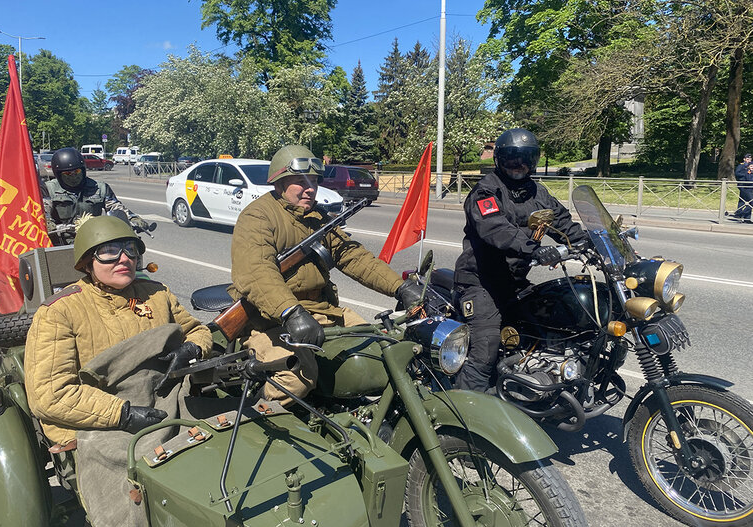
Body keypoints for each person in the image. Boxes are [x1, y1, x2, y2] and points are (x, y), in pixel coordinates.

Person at [228, 145, 423, 405]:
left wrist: (400, 288)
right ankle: (259, 419)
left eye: (314, 181)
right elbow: (256, 272)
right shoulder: (258, 217)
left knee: (380, 351)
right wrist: (290, 312)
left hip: (322, 309)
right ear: (279, 183)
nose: (310, 188)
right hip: (269, 319)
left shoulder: (318, 218)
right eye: (300, 182)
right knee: (297, 378)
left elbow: (353, 257)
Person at [24, 215, 212, 447]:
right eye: (110, 251)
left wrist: (192, 348)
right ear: (87, 262)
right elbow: (50, 395)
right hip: (100, 424)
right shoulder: (59, 312)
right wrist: (123, 415)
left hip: (168, 404)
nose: (124, 258)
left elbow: (197, 330)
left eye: (130, 249)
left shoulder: (156, 294)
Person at [452, 128, 587, 392]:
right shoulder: (486, 191)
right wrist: (533, 250)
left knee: (552, 323)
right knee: (486, 348)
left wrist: (591, 243)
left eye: (526, 159)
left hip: (514, 282)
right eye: (512, 158)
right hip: (480, 282)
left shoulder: (538, 192)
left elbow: (562, 222)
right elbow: (495, 228)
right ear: (499, 160)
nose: (519, 165)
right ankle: (464, 413)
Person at [43, 147, 150, 238]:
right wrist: (47, 223)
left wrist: (132, 218)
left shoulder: (99, 188)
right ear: (59, 175)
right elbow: (43, 210)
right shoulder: (49, 189)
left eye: (77, 172)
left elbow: (115, 207)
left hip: (94, 239)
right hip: (61, 241)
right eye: (67, 174)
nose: (73, 176)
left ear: (83, 170)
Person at [728, 153, 753, 223]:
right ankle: (740, 213)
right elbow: (737, 173)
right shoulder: (741, 165)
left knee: (744, 200)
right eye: (747, 159)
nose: (749, 160)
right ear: (744, 159)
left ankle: (746, 218)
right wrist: (745, 175)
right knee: (748, 201)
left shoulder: (750, 166)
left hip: (749, 186)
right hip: (743, 185)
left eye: (750, 159)